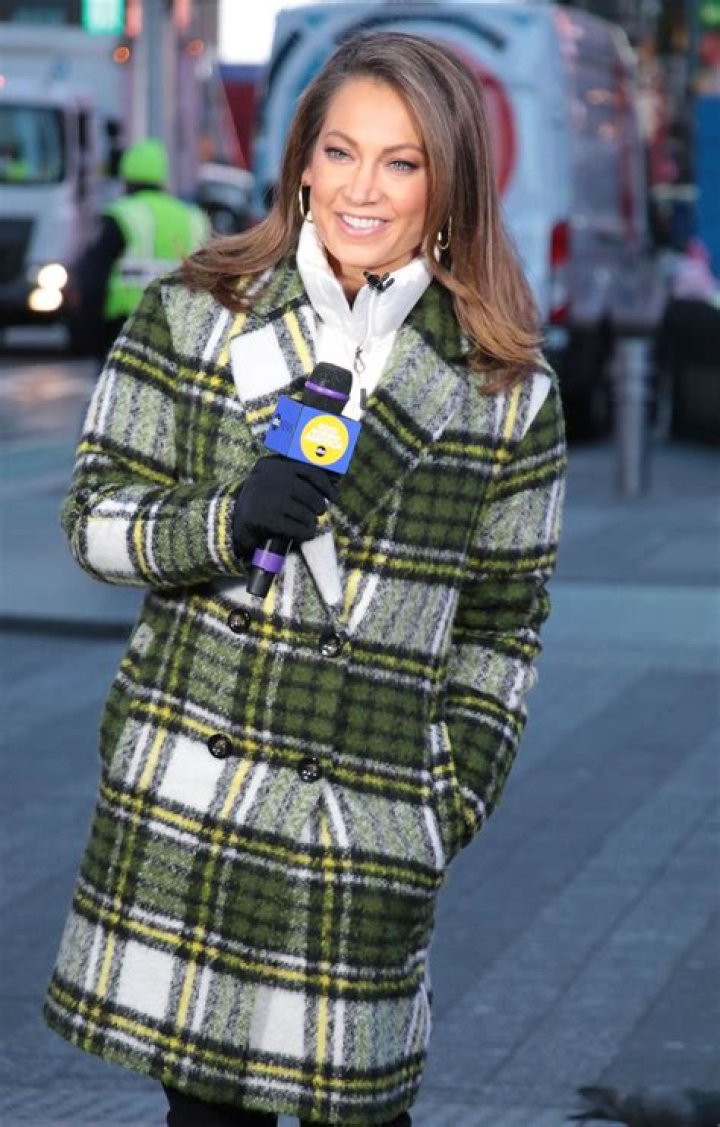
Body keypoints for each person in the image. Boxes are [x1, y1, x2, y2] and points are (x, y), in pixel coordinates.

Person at [44, 33, 566, 1127]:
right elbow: (93, 521)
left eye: (401, 161)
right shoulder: (197, 312)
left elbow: (503, 623)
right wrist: (226, 522)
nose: (361, 189)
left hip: (363, 832)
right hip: (196, 814)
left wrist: (443, 796)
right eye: (341, 151)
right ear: (302, 163)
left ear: (447, 185)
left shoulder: (506, 391)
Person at [71, 137, 209, 360]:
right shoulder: (194, 219)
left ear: (126, 181)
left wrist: (89, 335)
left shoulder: (123, 216)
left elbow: (94, 278)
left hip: (127, 326)